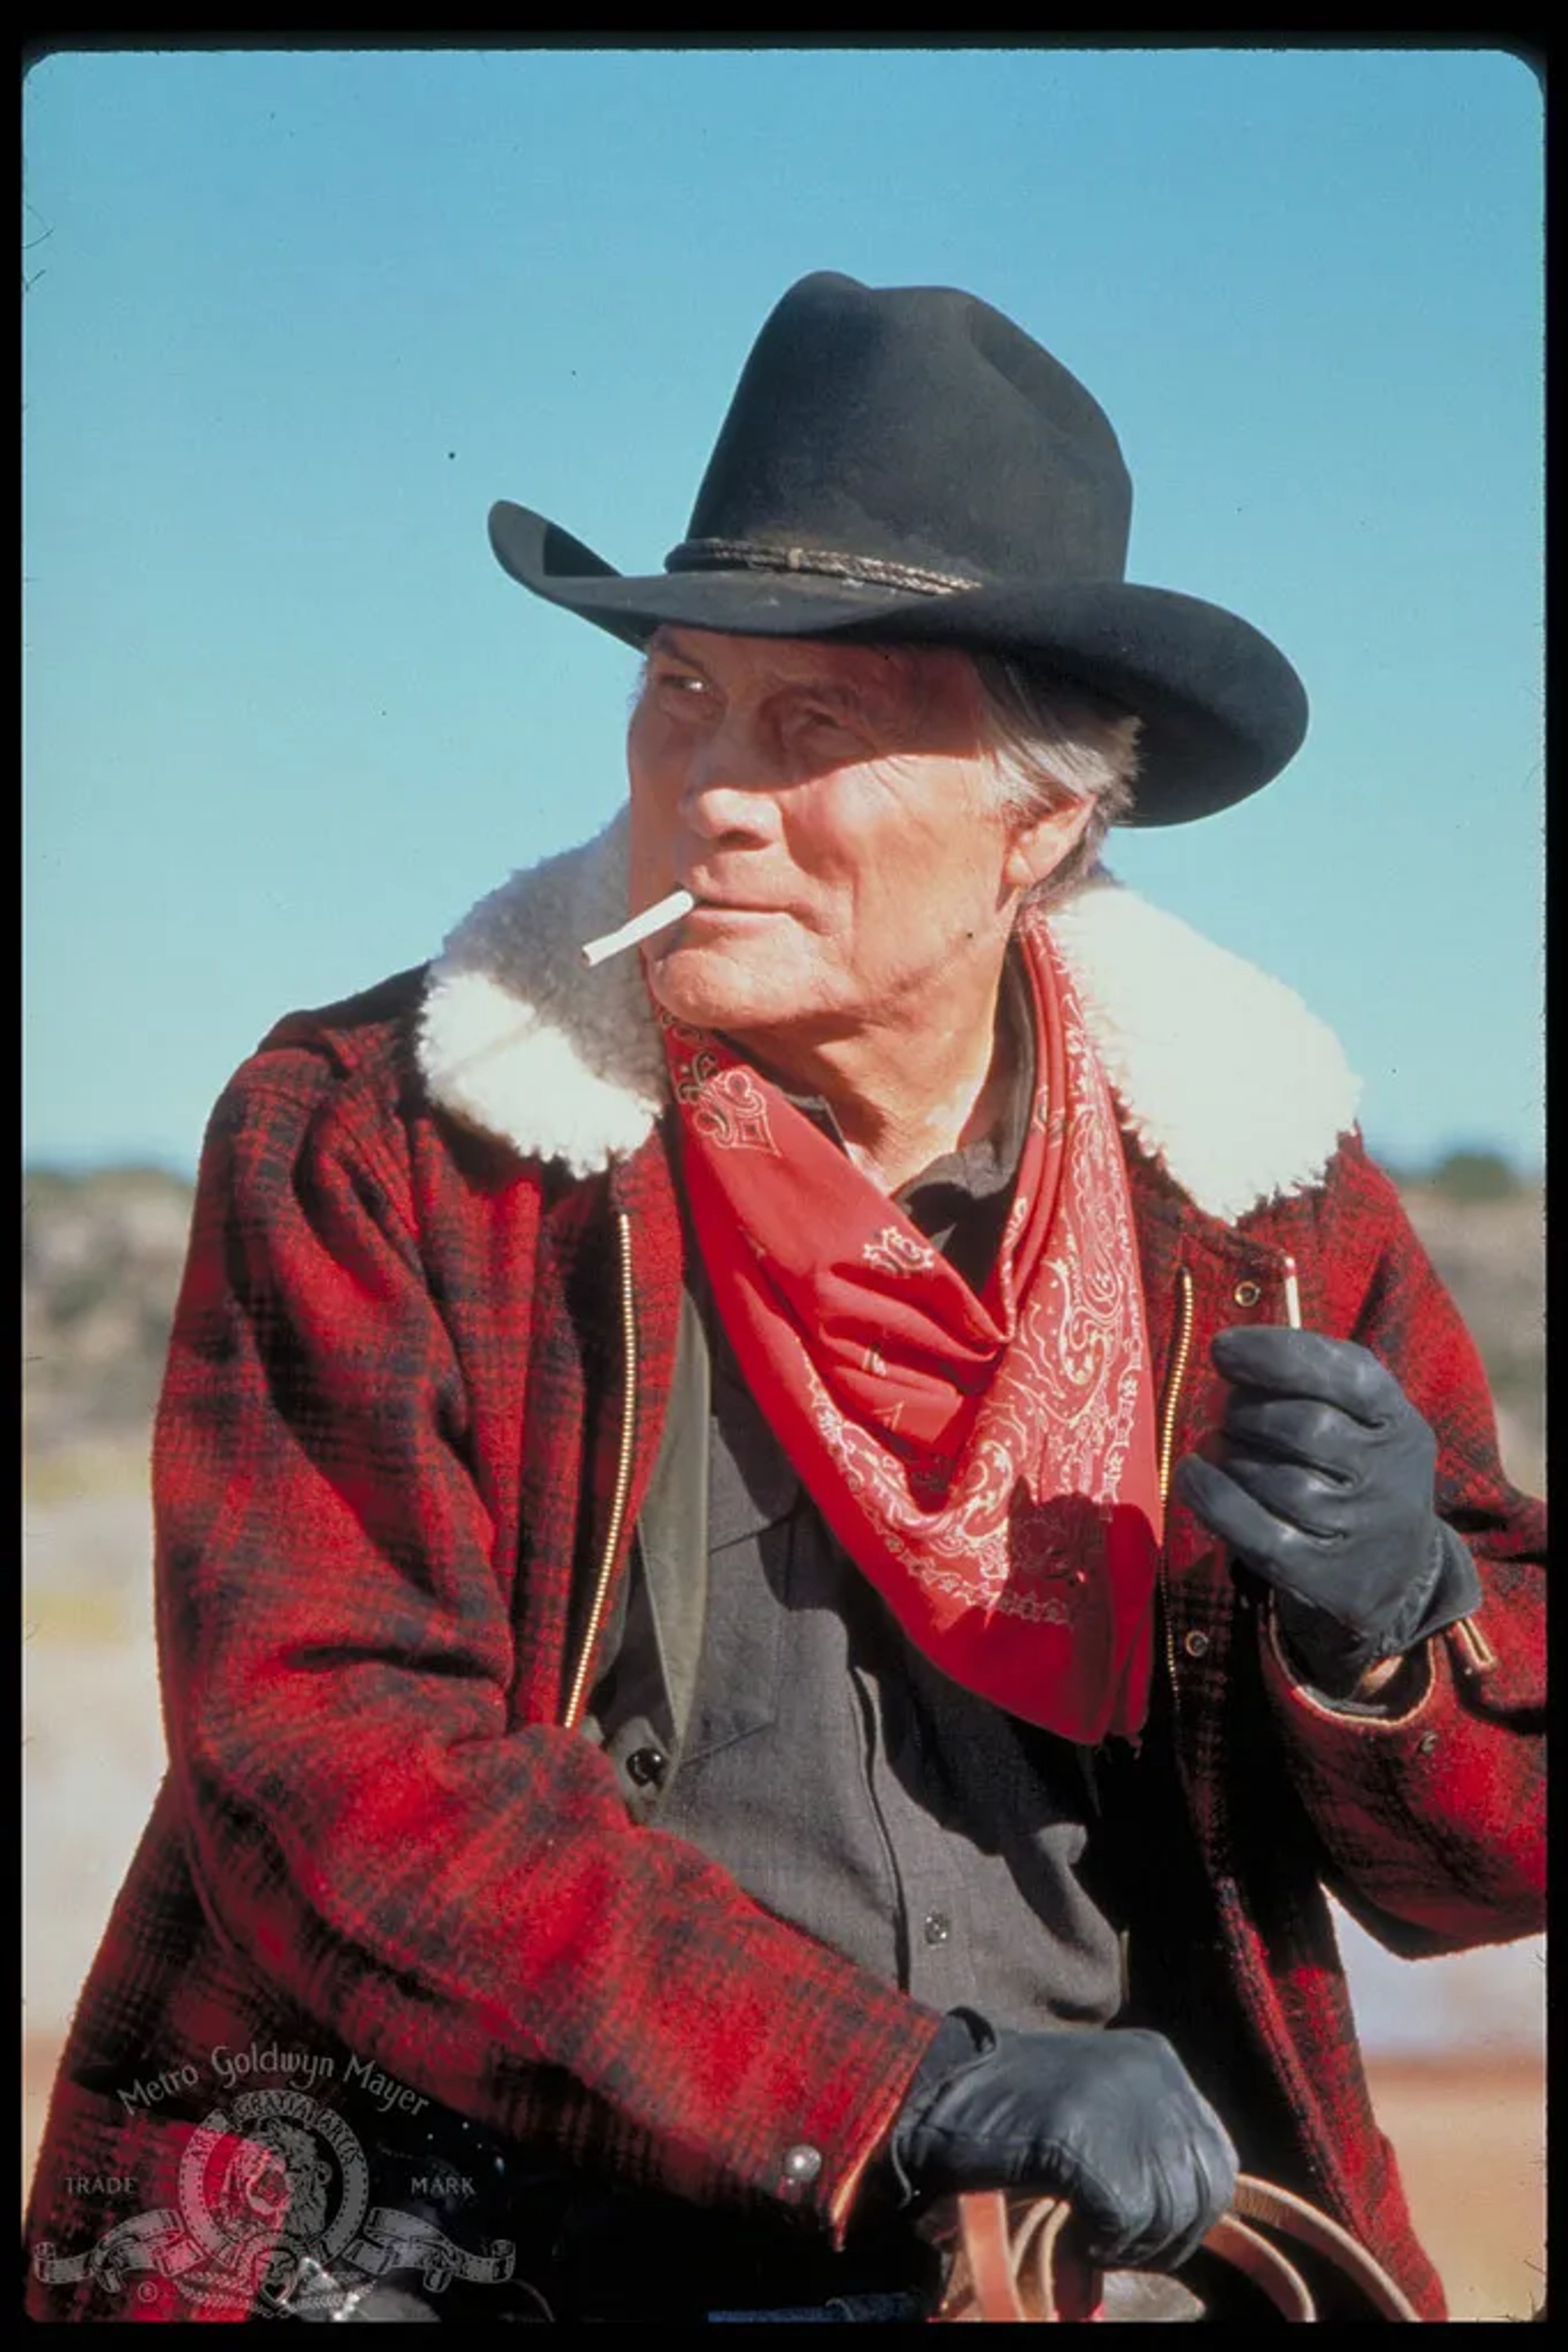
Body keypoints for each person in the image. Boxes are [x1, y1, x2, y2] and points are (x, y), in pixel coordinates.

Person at [25, 271, 1544, 2324]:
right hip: (493, 2248)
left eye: (814, 724)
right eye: (679, 693)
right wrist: (908, 2095)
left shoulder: (1256, 1206)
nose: (711, 786)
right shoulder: (383, 1139)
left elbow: (1485, 1867)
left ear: (1045, 822)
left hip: (1112, 2256)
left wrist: (1396, 1634)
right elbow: (330, 1761)